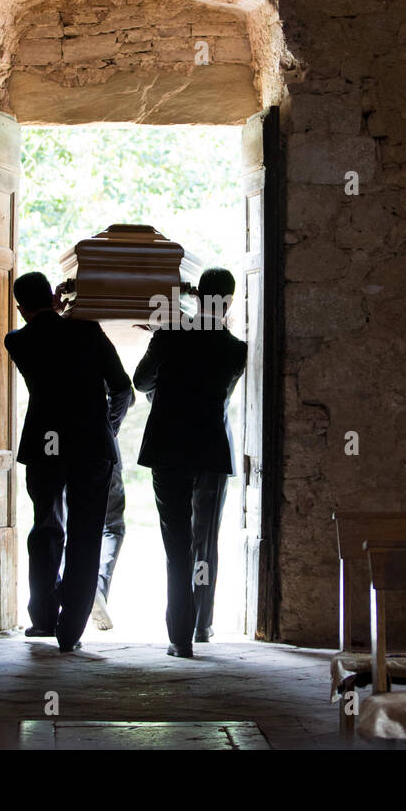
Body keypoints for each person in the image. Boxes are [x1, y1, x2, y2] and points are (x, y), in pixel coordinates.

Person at [4, 271, 132, 652]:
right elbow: (123, 389)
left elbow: (46, 332)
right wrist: (109, 428)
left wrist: (53, 311)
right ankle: (70, 631)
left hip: (46, 445)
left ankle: (43, 618)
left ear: (21, 309)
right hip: (92, 445)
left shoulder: (18, 341)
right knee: (86, 535)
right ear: (52, 298)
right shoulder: (88, 332)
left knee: (46, 528)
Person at [134, 268, 247, 657]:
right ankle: (202, 623)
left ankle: (179, 636)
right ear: (228, 302)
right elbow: (222, 395)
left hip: (168, 449)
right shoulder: (235, 349)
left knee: (177, 542)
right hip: (210, 451)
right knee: (205, 541)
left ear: (198, 297)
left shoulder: (168, 335)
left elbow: (141, 382)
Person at [91, 408, 130, 631]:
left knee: (69, 525)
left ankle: (75, 591)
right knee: (113, 526)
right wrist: (109, 427)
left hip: (64, 444)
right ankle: (98, 586)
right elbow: (125, 393)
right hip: (104, 445)